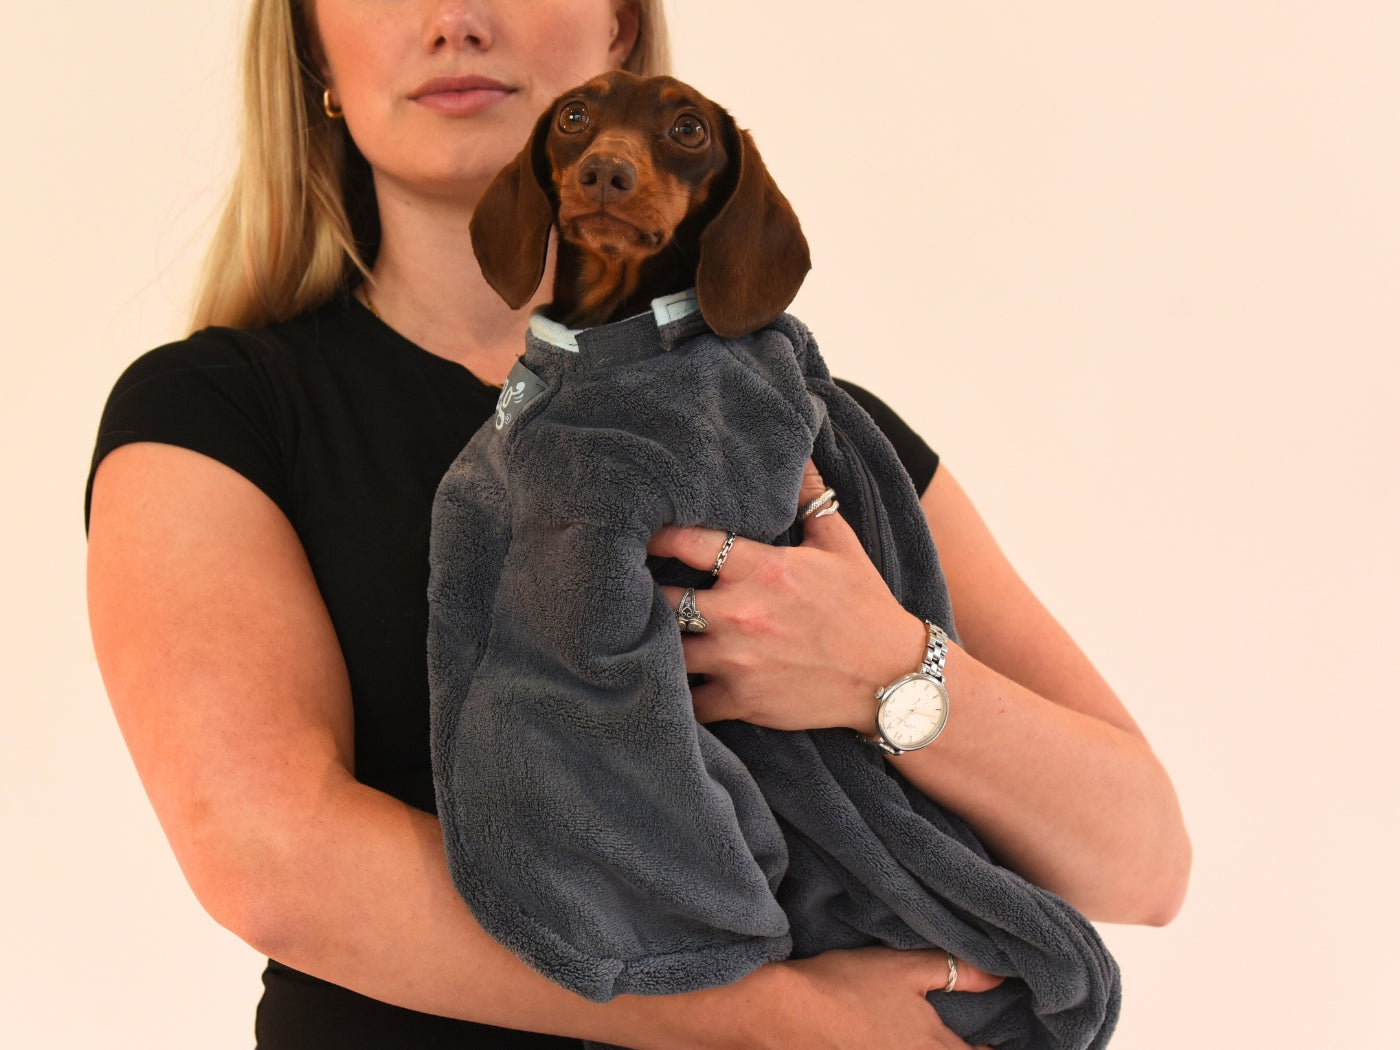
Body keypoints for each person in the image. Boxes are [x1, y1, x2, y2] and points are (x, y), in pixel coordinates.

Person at [84, 2, 1191, 1048]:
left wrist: (882, 669)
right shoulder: (216, 414)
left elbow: (1142, 858)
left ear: (619, 21)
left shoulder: (810, 428)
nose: (456, 17)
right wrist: (783, 1016)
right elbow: (275, 863)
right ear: (316, 54)